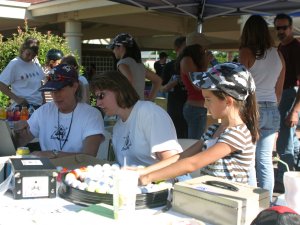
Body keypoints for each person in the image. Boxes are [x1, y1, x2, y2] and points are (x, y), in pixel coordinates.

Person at [136, 63, 259, 186]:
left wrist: (148, 177)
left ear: (228, 101)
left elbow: (192, 163)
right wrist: (144, 171)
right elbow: (182, 156)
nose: (205, 105)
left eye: (208, 99)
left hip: (228, 201)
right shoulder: (213, 130)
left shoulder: (238, 134)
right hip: (211, 197)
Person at [90, 71, 183, 167]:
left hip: (158, 181)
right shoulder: (117, 128)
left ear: (119, 90)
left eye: (101, 96)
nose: (98, 103)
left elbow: (173, 161)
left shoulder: (149, 113)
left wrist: (143, 175)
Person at [13, 63, 105, 158]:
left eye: (59, 89)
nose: (55, 95)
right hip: (47, 171)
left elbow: (89, 157)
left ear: (74, 86)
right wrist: (18, 133)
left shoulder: (91, 115)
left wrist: (53, 154)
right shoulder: (43, 111)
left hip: (78, 172)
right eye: (52, 90)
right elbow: (19, 143)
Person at [239, 15, 285, 201]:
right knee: (265, 160)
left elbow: (240, 86)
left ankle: (251, 202)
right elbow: (279, 90)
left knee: (248, 159)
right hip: (273, 108)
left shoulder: (246, 52)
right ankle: (265, 202)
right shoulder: (278, 53)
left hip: (252, 108)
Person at [274, 13, 300, 188]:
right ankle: (293, 175)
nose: (281, 31)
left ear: (291, 28)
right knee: (290, 140)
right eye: (278, 28)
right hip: (283, 95)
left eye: (284, 27)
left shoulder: (296, 48)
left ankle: (286, 181)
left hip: (292, 94)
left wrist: (295, 111)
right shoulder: (280, 47)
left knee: (285, 143)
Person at [107, 33, 162, 101]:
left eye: (113, 47)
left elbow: (129, 79)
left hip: (128, 107)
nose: (113, 51)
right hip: (140, 105)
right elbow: (158, 80)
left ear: (120, 47)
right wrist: (150, 100)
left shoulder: (122, 63)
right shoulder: (140, 65)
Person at [0, 37, 44, 109]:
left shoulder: (36, 62)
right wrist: (17, 99)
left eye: (33, 55)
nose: (30, 58)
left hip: (38, 106)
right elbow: (1, 84)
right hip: (23, 107)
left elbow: (41, 83)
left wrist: (44, 102)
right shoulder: (14, 64)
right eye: (28, 54)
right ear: (23, 49)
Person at [177, 35, 208, 139]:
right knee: (194, 142)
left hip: (198, 107)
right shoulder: (187, 60)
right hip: (195, 108)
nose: (205, 50)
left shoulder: (191, 60)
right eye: (203, 47)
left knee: (195, 140)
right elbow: (198, 84)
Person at [161, 36, 188, 138]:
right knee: (177, 134)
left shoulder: (194, 65)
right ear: (177, 48)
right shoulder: (170, 66)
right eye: (185, 47)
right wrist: (176, 81)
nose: (188, 50)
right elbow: (163, 88)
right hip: (175, 106)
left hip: (191, 105)